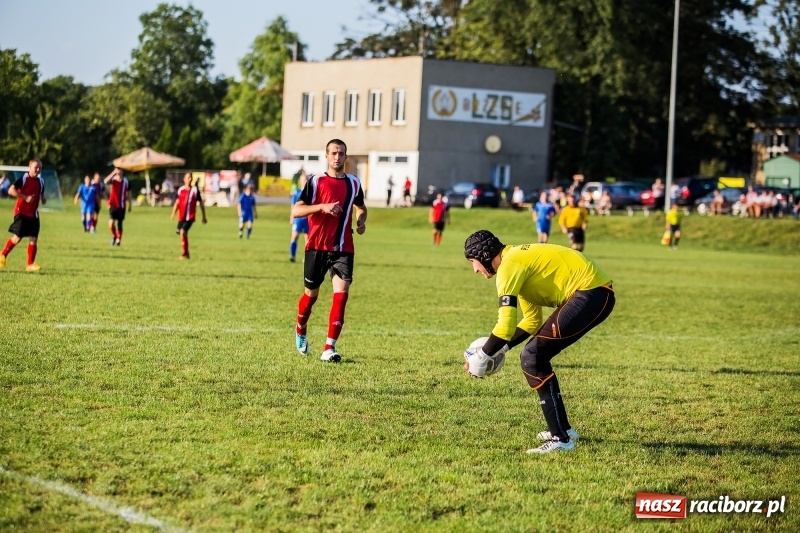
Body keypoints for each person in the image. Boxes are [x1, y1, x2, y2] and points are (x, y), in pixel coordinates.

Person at [462, 230, 615, 454]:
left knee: (532, 357)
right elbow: (532, 321)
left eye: (473, 262)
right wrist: (500, 349)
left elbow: (504, 327)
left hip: (591, 293)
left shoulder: (509, 266)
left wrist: (482, 357)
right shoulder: (516, 262)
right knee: (535, 356)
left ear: (484, 255)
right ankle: (564, 430)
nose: (475, 269)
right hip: (595, 293)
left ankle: (560, 440)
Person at [291, 139, 367, 363]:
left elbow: (361, 207)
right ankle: (301, 326)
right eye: (333, 153)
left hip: (344, 248)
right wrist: (322, 207)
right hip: (316, 247)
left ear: (346, 156)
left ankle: (329, 348)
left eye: (341, 153)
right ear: (326, 156)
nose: (337, 157)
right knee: (310, 296)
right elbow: (297, 210)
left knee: (341, 296)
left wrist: (361, 220)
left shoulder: (354, 183)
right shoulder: (315, 181)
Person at [0, 159, 47, 271]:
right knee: (17, 238)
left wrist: (43, 198)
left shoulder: (41, 181)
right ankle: (2, 255)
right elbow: (11, 190)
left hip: (34, 214)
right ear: (30, 167)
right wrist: (25, 197)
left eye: (40, 167)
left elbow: (41, 194)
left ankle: (30, 264)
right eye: (36, 167)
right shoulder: (24, 178)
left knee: (33, 239)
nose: (38, 169)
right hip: (21, 213)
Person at [170, 172, 207, 259]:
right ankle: (187, 253)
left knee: (183, 232)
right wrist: (173, 213)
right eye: (188, 177)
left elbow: (201, 203)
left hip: (190, 216)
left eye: (190, 177)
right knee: (181, 233)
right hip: (181, 217)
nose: (189, 179)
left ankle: (184, 253)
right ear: (184, 179)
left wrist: (204, 216)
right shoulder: (181, 190)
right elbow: (177, 202)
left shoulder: (195, 190)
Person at [104, 167, 131, 246]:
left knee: (120, 223)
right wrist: (113, 173)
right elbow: (105, 181)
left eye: (120, 170)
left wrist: (130, 205)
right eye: (117, 169)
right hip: (113, 205)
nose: (119, 171)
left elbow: (129, 193)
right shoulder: (113, 179)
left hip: (122, 206)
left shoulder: (126, 181)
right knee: (111, 223)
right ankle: (115, 236)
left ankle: (119, 239)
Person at [289, 172, 309, 261]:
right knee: (294, 237)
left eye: (307, 179)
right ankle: (292, 256)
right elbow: (293, 206)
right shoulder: (297, 192)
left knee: (308, 240)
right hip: (298, 219)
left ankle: (306, 257)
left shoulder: (311, 193)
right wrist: (291, 217)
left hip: (308, 220)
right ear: (300, 181)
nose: (305, 181)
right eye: (304, 179)